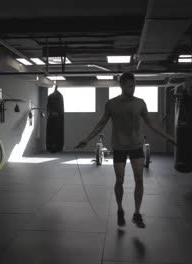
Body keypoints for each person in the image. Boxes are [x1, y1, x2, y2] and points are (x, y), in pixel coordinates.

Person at [75, 72, 176, 228]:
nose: (133, 88)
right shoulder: (111, 104)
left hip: (136, 146)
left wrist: (168, 137)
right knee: (120, 180)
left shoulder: (140, 103)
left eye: (134, 85)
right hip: (119, 146)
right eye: (130, 86)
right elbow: (101, 123)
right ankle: (120, 209)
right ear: (122, 85)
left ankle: (137, 213)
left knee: (139, 180)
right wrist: (87, 139)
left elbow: (151, 123)